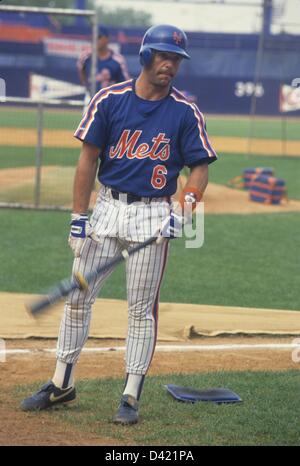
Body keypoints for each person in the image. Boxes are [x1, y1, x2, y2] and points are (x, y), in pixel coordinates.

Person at [20, 24, 217, 425]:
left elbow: (199, 169)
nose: (170, 65)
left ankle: (130, 395)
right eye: (163, 56)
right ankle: (61, 384)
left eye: (176, 59)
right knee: (77, 299)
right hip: (107, 210)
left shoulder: (184, 112)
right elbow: (87, 160)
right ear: (145, 56)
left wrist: (184, 210)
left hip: (153, 215)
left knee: (140, 309)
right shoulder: (108, 100)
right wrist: (78, 218)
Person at [77, 25, 130, 105]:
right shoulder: (85, 57)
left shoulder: (118, 59)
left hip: (111, 101)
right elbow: (81, 73)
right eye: (92, 37)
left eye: (98, 37)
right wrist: (87, 87)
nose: (95, 40)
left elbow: (125, 83)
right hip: (91, 99)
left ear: (107, 39)